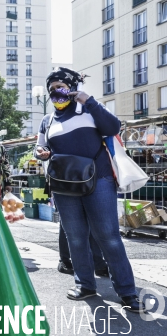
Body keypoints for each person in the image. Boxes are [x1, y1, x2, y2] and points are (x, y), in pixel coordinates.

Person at [34, 67, 145, 313]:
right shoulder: (47, 120)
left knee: (109, 237)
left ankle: (127, 292)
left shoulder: (89, 110)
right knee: (75, 237)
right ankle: (85, 285)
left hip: (100, 181)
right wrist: (40, 154)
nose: (56, 93)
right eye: (52, 89)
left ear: (73, 88)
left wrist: (89, 101)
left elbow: (113, 127)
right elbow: (39, 148)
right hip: (64, 185)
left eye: (61, 87)